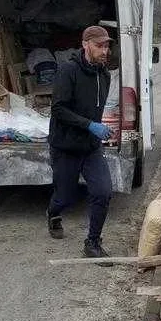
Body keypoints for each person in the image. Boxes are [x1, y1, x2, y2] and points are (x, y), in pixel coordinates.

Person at [47, 25, 115, 259]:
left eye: (107, 46)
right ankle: (53, 213)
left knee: (103, 191)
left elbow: (94, 110)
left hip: (90, 147)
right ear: (85, 44)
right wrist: (89, 125)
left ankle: (93, 243)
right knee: (65, 196)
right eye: (99, 45)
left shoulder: (104, 75)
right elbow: (58, 109)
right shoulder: (69, 71)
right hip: (65, 146)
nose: (105, 51)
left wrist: (101, 128)